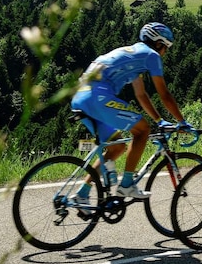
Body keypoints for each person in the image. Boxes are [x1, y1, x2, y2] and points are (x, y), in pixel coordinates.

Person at [70, 22, 187, 201]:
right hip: (98, 97)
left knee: (117, 147)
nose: (165, 52)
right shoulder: (151, 56)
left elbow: (141, 94)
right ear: (158, 43)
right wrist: (182, 121)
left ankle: (82, 194)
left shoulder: (132, 55)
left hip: (80, 97)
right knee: (142, 130)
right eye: (166, 48)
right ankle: (126, 185)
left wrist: (159, 120)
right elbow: (164, 94)